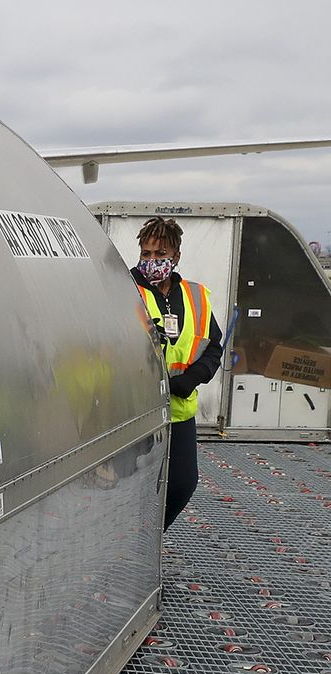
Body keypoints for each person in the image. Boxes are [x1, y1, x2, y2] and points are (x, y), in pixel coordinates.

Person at [132, 216, 220, 528]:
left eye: (160, 255)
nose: (152, 261)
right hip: (136, 411)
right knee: (130, 487)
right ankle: (131, 543)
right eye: (146, 254)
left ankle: (148, 538)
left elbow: (213, 346)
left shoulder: (195, 297)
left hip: (179, 409)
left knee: (183, 484)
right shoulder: (126, 291)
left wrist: (192, 379)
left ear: (176, 257)